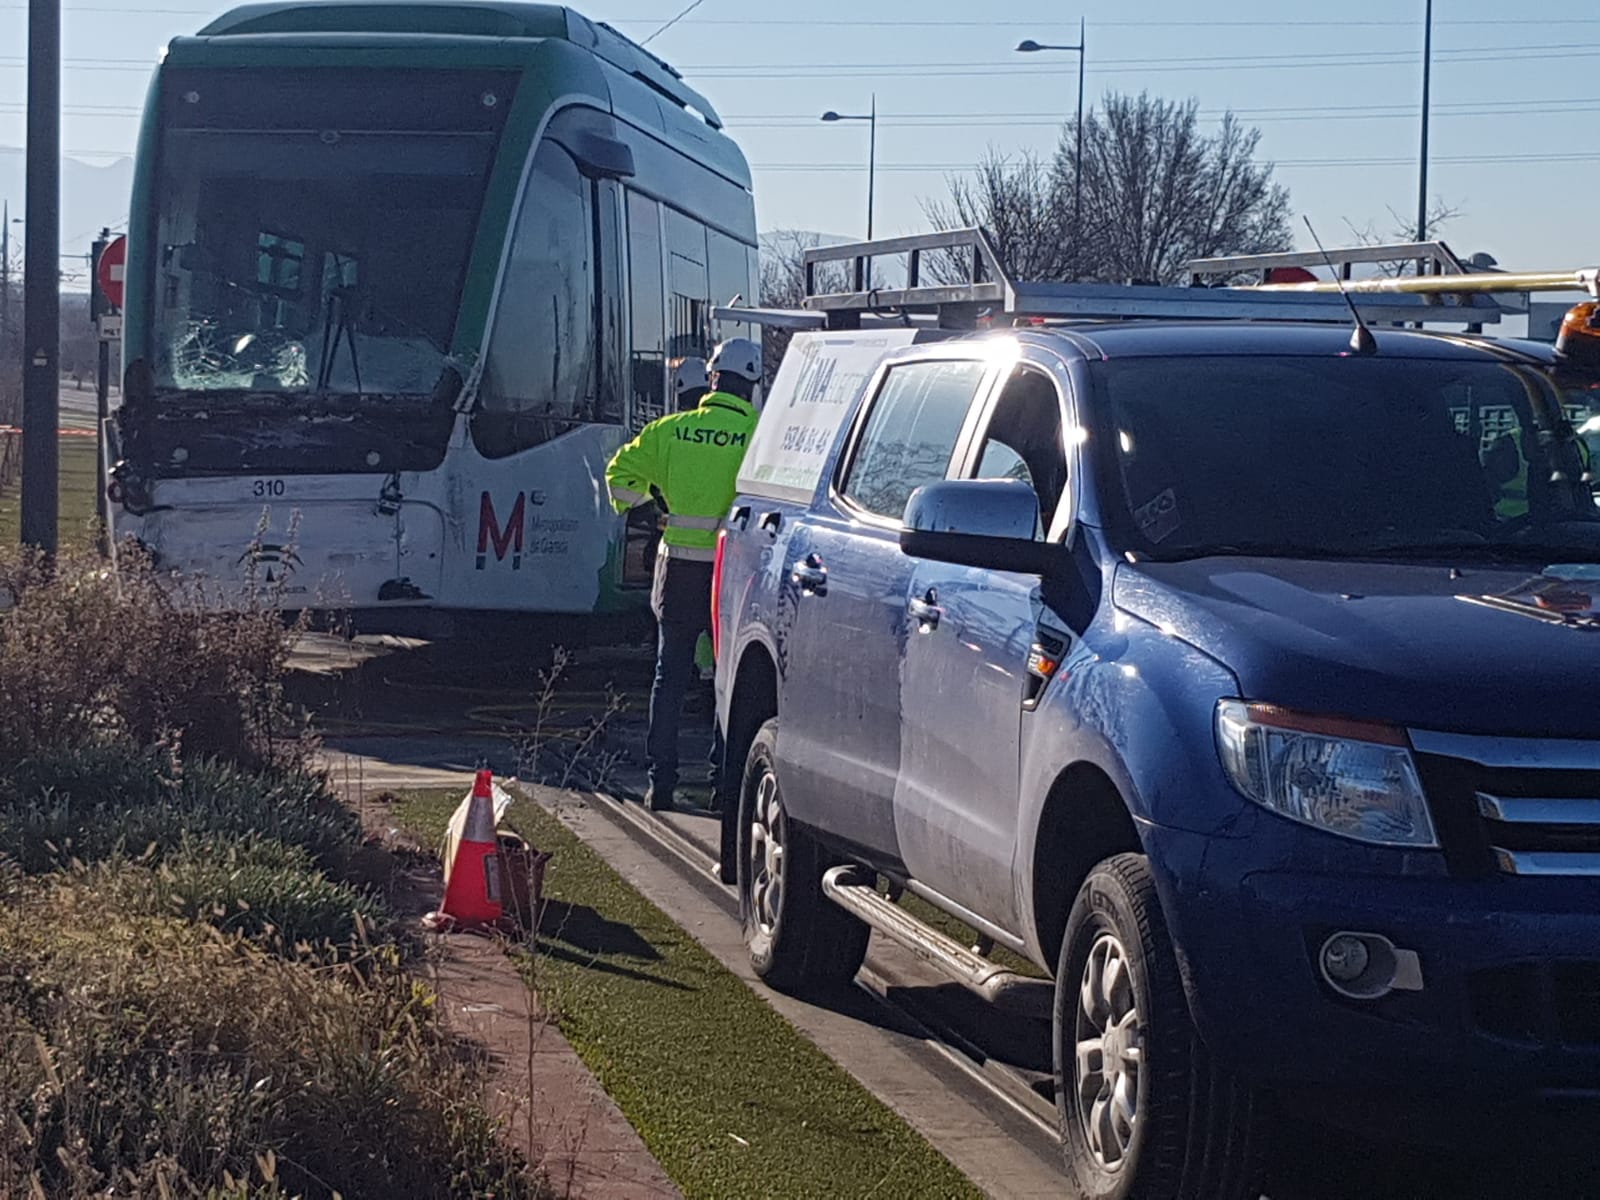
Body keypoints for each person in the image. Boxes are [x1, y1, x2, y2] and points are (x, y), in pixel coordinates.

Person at [606, 337, 761, 811]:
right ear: (751, 385)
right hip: (732, 576)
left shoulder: (670, 430)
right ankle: (723, 785)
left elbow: (618, 475)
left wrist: (654, 510)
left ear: (712, 380)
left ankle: (662, 783)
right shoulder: (761, 435)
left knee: (667, 677)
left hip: (676, 572)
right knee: (725, 682)